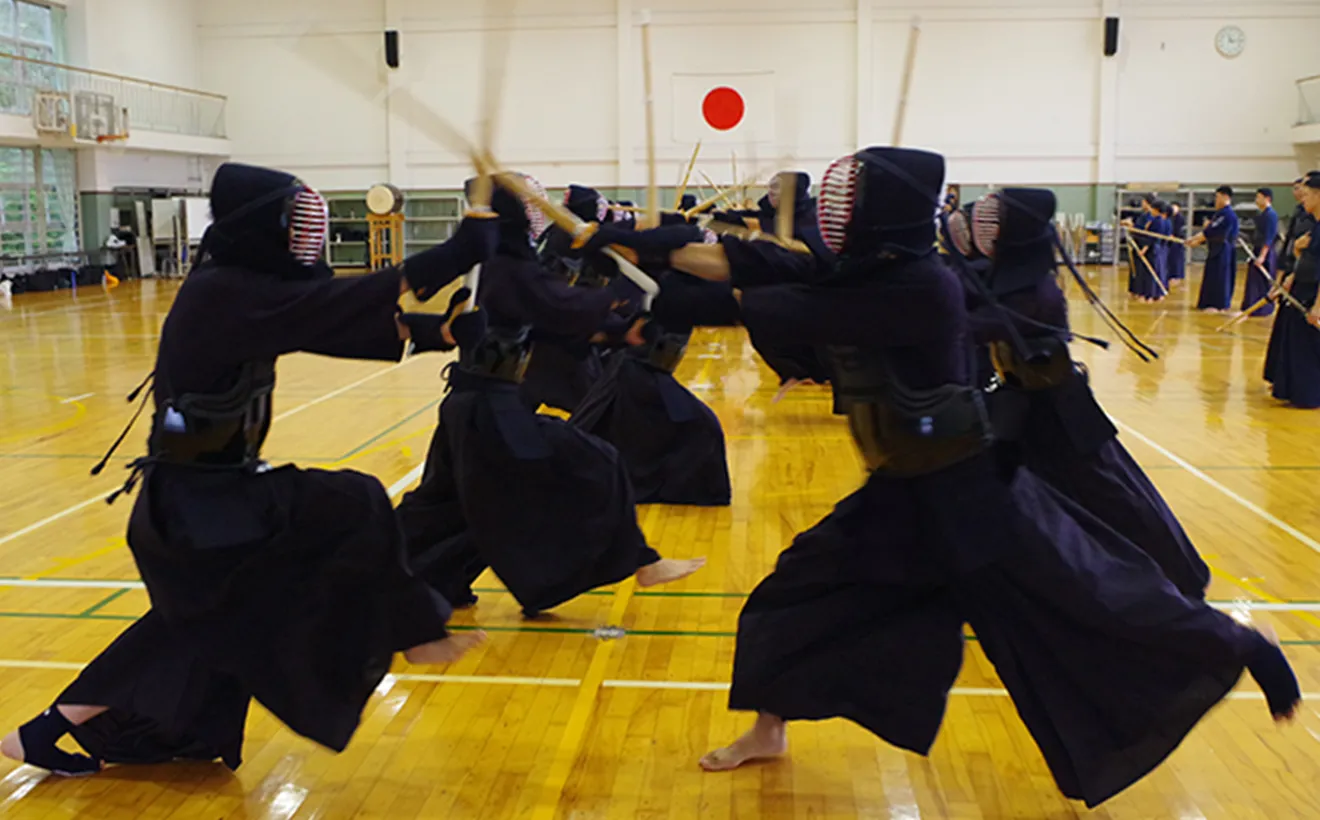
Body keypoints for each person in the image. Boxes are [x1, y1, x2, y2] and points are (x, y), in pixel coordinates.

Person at [680, 147, 1298, 809]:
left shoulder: (922, 285)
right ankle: (767, 728)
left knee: (1092, 594)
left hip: (970, 490)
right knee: (794, 594)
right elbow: (782, 269)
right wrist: (637, 245)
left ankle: (1237, 644)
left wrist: (661, 285)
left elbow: (780, 298)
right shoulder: (887, 271)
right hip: (901, 491)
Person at [1, 162, 495, 776]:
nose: (307, 239)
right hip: (194, 507)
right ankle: (415, 631)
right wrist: (455, 253)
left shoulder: (238, 289)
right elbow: (331, 302)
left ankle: (44, 731)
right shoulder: (222, 293)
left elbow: (325, 322)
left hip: (214, 499)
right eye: (299, 224)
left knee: (210, 625)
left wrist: (438, 332)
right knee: (356, 502)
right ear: (266, 227)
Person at [394, 174, 705, 616]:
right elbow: (561, 307)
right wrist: (623, 290)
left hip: (471, 403)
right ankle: (640, 562)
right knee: (595, 462)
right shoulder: (503, 266)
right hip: (486, 407)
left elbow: (544, 323)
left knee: (445, 507)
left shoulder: (500, 264)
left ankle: (403, 581)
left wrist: (619, 331)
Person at [954, 187, 1209, 597]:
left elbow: (973, 322)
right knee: (1003, 483)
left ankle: (1177, 577)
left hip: (1060, 410)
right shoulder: (1009, 277)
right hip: (1022, 402)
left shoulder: (1037, 291)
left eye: (996, 223)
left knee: (1111, 497)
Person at [1263, 173, 1320, 408]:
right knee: (1294, 340)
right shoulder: (1315, 227)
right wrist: (1292, 273)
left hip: (1313, 294)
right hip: (1301, 287)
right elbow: (1310, 259)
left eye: (1306, 194)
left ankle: (1309, 395)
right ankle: (1293, 390)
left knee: (1307, 346)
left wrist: (1318, 306)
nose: (1302, 199)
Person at [1190, 186, 1240, 312]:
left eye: (1217, 197)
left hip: (1223, 250)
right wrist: (1195, 240)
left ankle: (1219, 305)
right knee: (1212, 276)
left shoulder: (1227, 214)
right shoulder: (1219, 214)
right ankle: (1209, 303)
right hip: (1215, 249)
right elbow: (1208, 231)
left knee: (1220, 277)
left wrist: (1196, 239)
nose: (1216, 200)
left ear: (1226, 197)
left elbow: (1212, 231)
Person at [1241, 188, 1279, 317]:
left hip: (1266, 253)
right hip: (1257, 250)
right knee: (1253, 281)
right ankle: (1251, 307)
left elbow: (1269, 237)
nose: (1256, 200)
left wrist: (1262, 256)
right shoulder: (1261, 215)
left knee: (1262, 281)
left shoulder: (1271, 215)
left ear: (1267, 198)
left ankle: (1263, 309)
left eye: (1259, 197)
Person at [1167, 202, 1187, 284]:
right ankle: (1170, 275)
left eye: (1175, 208)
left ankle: (1177, 276)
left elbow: (1180, 231)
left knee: (1177, 260)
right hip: (1169, 241)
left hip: (1178, 241)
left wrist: (1174, 236)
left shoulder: (1180, 218)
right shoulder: (1169, 217)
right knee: (1170, 259)